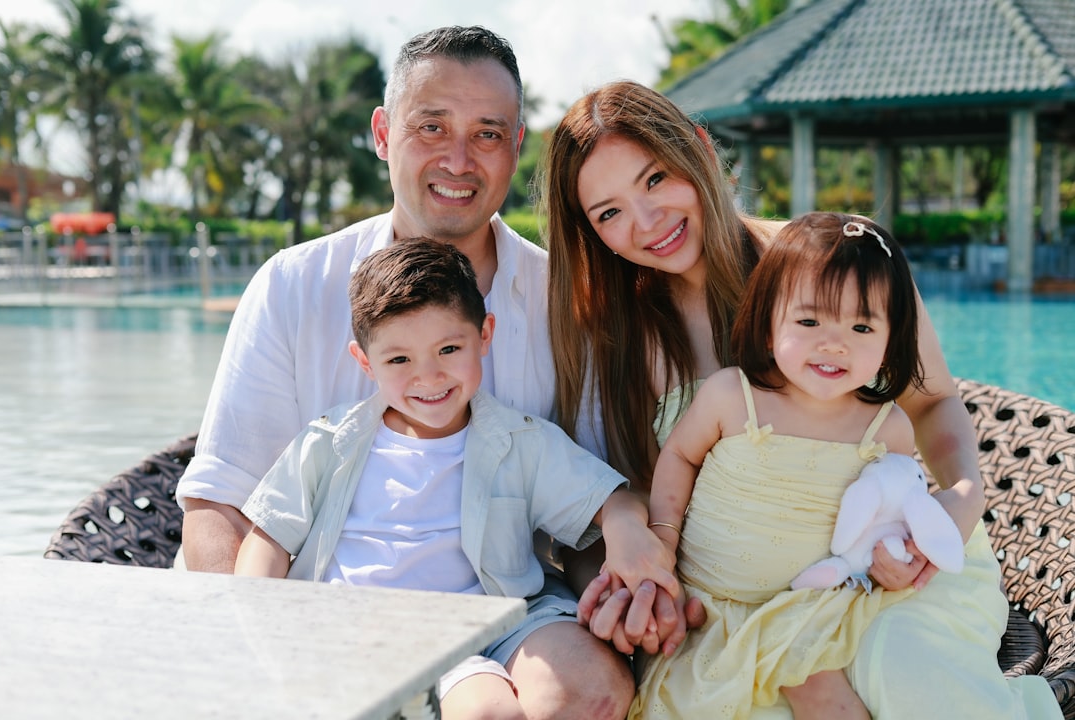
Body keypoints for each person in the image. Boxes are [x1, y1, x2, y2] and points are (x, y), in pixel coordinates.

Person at [541, 80, 1062, 718]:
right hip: (742, 602)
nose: (646, 223)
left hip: (889, 573)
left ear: (702, 150)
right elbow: (638, 498)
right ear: (589, 232)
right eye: (609, 212)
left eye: (655, 180)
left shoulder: (841, 263)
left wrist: (964, 497)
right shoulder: (621, 336)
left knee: (910, 673)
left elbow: (931, 405)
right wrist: (645, 585)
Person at [176, 26, 636, 720]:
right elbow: (219, 508)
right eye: (431, 126)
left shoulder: (566, 304)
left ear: (516, 147)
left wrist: (620, 595)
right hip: (322, 607)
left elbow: (592, 514)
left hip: (503, 607)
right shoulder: (295, 285)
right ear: (384, 134)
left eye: (487, 133)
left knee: (587, 690)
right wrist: (264, 646)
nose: (459, 158)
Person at [234, 238, 676, 718]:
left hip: (476, 626)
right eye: (399, 360)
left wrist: (628, 530)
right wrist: (259, 629)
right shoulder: (328, 443)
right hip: (354, 627)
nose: (429, 377)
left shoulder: (520, 441)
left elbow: (613, 498)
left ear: (484, 335)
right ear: (365, 362)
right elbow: (268, 540)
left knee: (501, 710)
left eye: (448, 348)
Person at [630, 212, 925, 717]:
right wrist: (663, 536)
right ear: (769, 325)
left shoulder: (886, 426)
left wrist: (893, 565)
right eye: (809, 322)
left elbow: (895, 511)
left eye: (861, 326)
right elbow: (679, 455)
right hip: (709, 600)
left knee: (823, 691)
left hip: (813, 605)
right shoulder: (732, 395)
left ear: (891, 338)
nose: (834, 343)